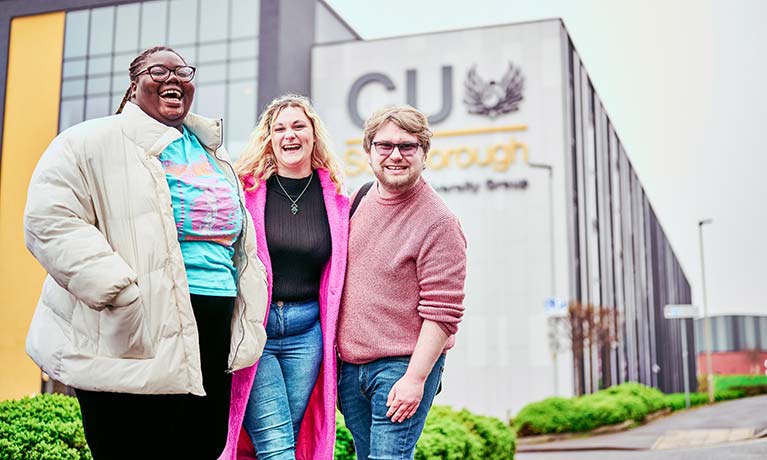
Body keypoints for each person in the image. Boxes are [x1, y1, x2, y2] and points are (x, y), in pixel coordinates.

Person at [23, 46, 268, 460]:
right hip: (133, 322)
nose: (174, 78)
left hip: (212, 320)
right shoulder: (90, 141)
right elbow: (50, 219)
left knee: (200, 444)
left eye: (183, 71)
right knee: (130, 444)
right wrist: (118, 290)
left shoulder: (212, 152)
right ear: (134, 85)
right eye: (159, 70)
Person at [219, 94, 349, 460]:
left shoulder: (336, 199)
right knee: (277, 444)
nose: (289, 135)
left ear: (313, 134)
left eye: (298, 126)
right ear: (269, 138)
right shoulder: (246, 193)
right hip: (255, 331)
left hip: (306, 333)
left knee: (284, 438)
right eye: (280, 129)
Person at [336, 105, 467, 459]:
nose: (395, 155)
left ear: (424, 153)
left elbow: (442, 313)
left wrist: (414, 380)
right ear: (369, 152)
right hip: (351, 370)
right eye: (384, 146)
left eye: (407, 146)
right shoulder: (358, 201)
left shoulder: (439, 222)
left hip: (401, 368)